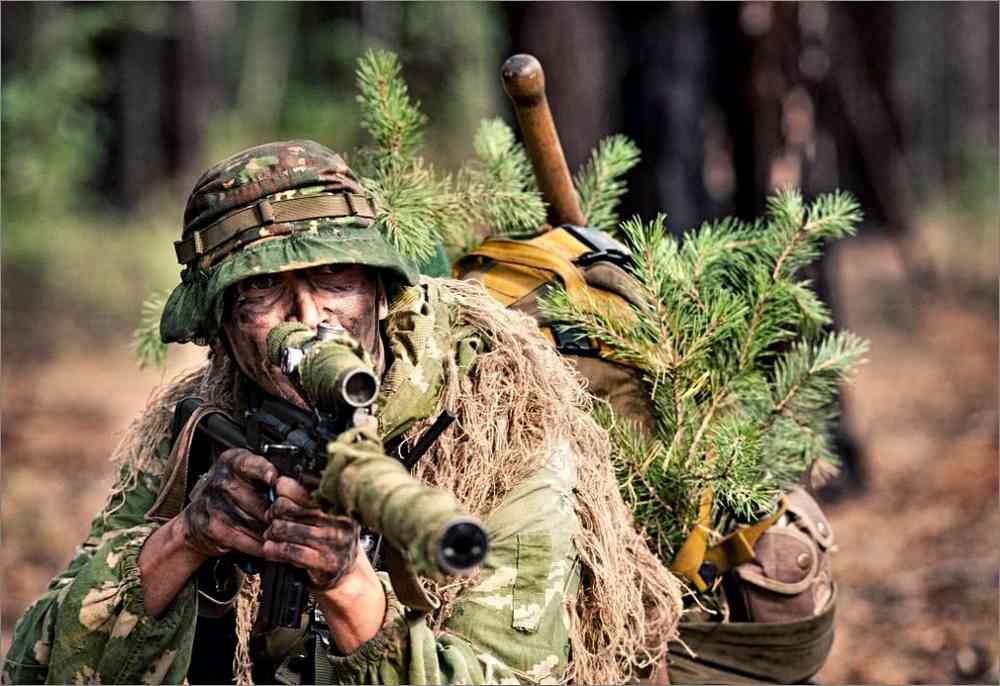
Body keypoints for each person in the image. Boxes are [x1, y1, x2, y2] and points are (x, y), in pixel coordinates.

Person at [4, 140, 682, 685]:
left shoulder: (500, 426)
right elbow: (37, 666)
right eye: (264, 288)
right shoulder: (201, 422)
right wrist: (185, 540)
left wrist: (354, 594)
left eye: (335, 279)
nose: (310, 317)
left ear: (381, 291)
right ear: (222, 328)